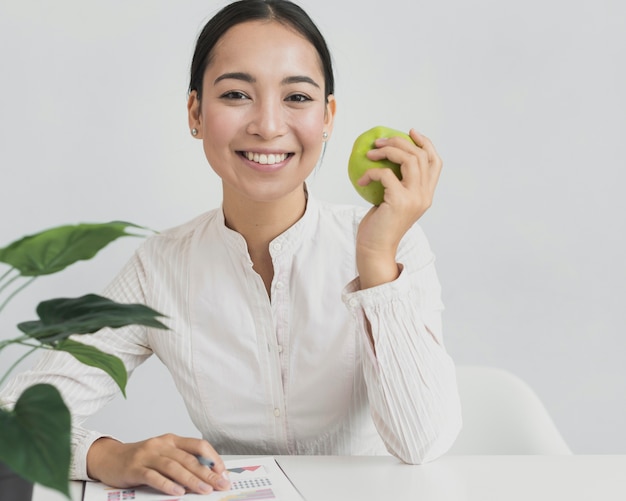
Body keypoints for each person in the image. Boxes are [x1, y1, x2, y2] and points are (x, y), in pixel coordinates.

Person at [0, 0, 461, 496]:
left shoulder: (393, 244)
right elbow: (13, 418)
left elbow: (422, 442)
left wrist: (374, 260)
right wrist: (110, 455)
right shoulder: (161, 267)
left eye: (297, 97)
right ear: (196, 112)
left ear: (328, 116)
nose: (267, 124)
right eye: (237, 93)